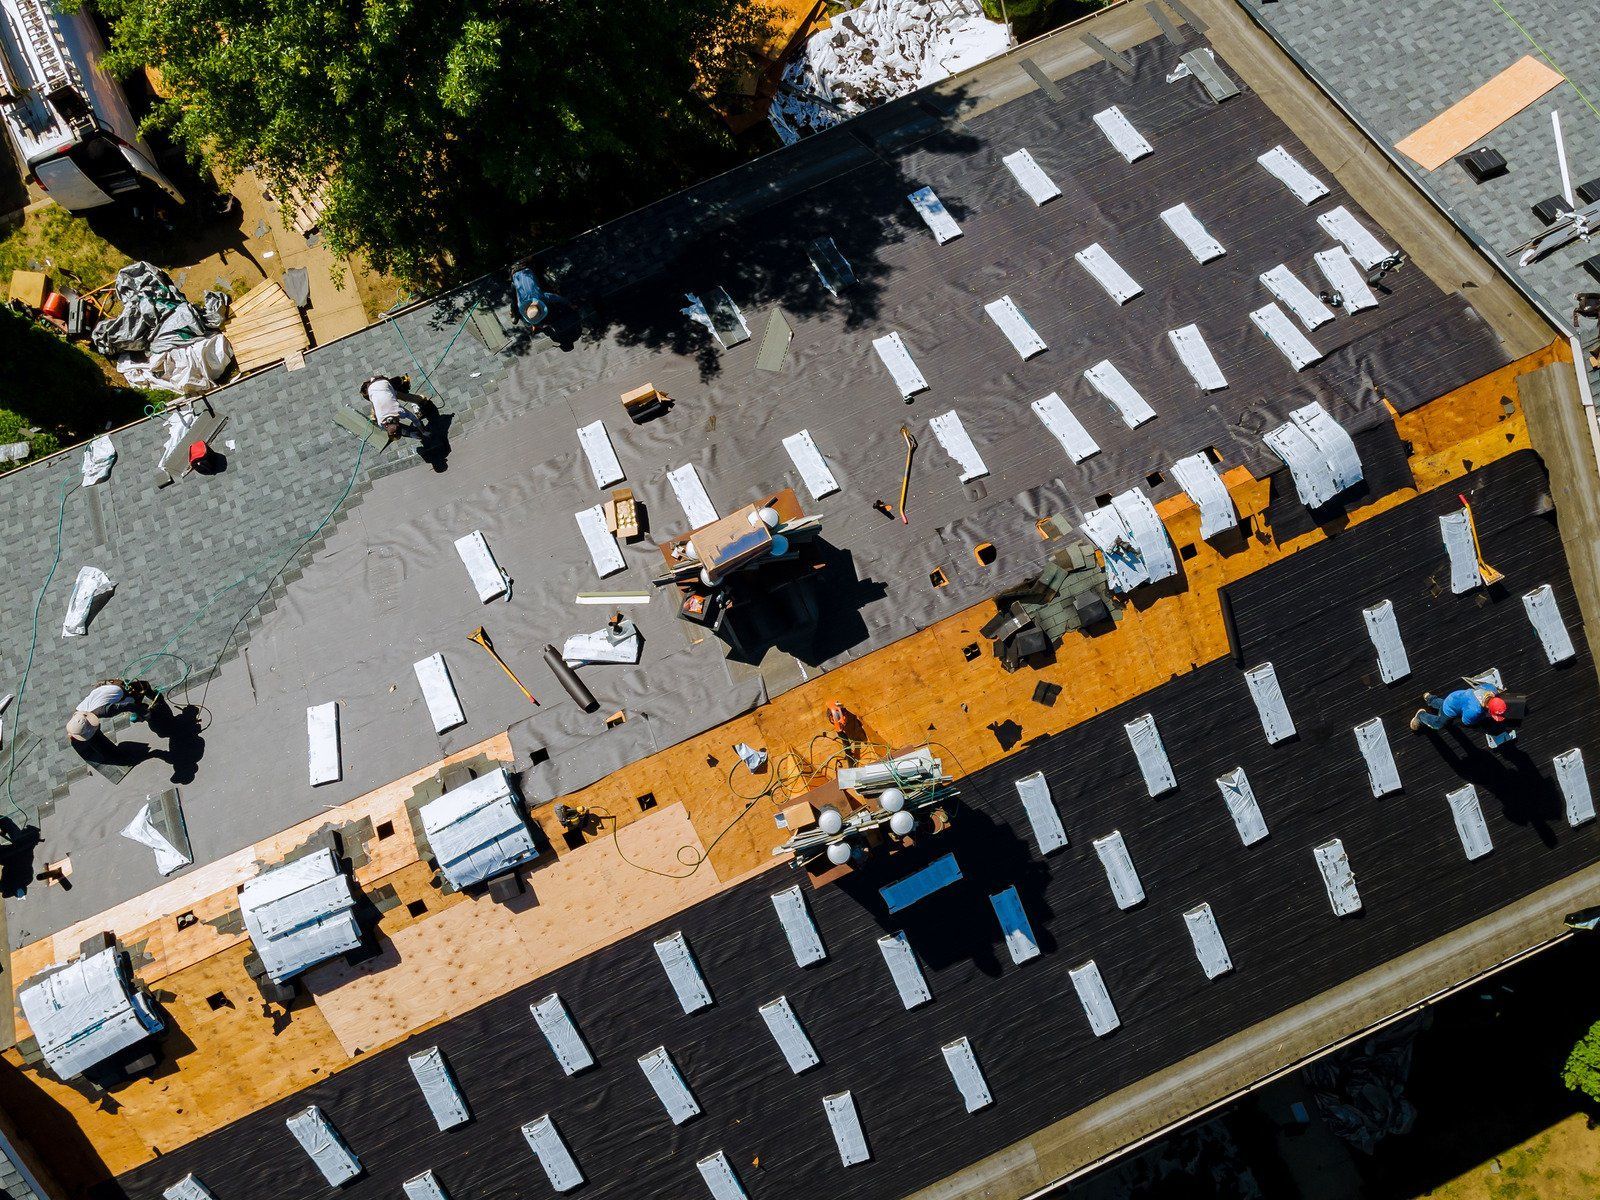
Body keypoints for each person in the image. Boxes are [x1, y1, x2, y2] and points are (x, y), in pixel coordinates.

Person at [66, 679, 155, 744]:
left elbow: (127, 706)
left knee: (143, 694)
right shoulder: (79, 711)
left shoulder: (105, 711)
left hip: (125, 690)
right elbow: (77, 724)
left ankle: (154, 699)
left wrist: (144, 713)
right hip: (108, 686)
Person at [1410, 685, 1508, 732]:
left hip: (1456, 696)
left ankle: (1430, 699)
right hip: (1451, 708)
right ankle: (1420, 716)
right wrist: (1482, 717)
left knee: (1447, 704)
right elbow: (1465, 722)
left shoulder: (1491, 689)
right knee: (1439, 724)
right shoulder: (1475, 711)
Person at [361, 375, 427, 439]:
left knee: (402, 395)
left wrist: (423, 432)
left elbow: (414, 419)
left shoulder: (400, 411)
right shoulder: (380, 422)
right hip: (370, 388)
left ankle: (421, 400)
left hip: (382, 383)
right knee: (375, 415)